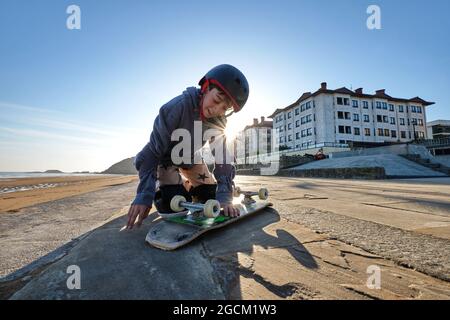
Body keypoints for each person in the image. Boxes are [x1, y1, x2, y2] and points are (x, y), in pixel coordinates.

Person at [126, 64, 249, 229]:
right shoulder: (177, 107)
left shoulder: (219, 121)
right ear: (206, 87)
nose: (217, 110)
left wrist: (225, 197)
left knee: (210, 197)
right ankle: (160, 185)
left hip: (190, 158)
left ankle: (185, 184)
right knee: (172, 204)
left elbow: (223, 158)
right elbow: (152, 152)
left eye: (224, 108)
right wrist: (144, 194)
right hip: (165, 159)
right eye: (217, 100)